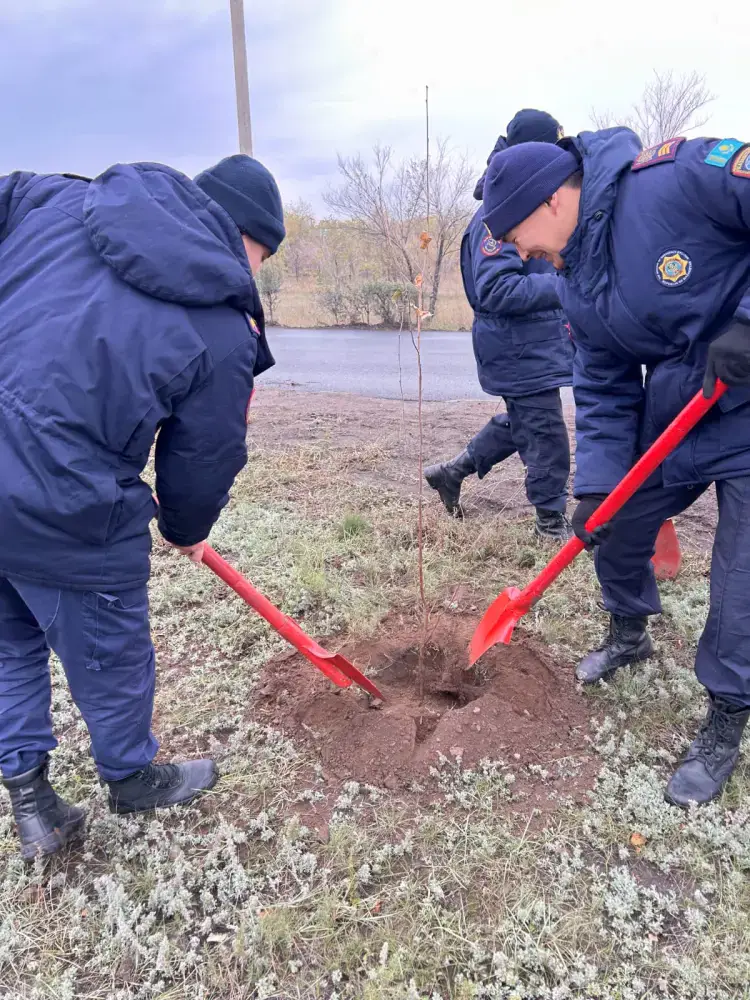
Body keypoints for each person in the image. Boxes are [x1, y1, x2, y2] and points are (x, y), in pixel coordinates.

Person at [0, 154, 285, 859]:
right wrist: (186, 528)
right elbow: (207, 452)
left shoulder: (56, 202)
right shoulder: (221, 323)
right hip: (67, 506)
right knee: (110, 652)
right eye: (261, 254)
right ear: (239, 234)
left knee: (8, 642)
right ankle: (130, 777)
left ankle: (32, 801)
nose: (255, 272)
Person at [481, 127, 750, 806]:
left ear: (548, 202)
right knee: (616, 522)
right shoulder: (576, 281)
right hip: (683, 409)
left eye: (514, 235)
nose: (519, 253)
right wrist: (595, 485)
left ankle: (725, 718)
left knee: (740, 581)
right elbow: (602, 384)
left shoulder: (677, 178)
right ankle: (629, 631)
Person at [424, 109, 574, 541]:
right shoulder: (498, 216)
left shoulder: (527, 204)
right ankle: (550, 525)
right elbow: (496, 291)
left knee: (524, 422)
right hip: (517, 349)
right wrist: (568, 289)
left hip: (532, 347)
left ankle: (451, 472)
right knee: (545, 434)